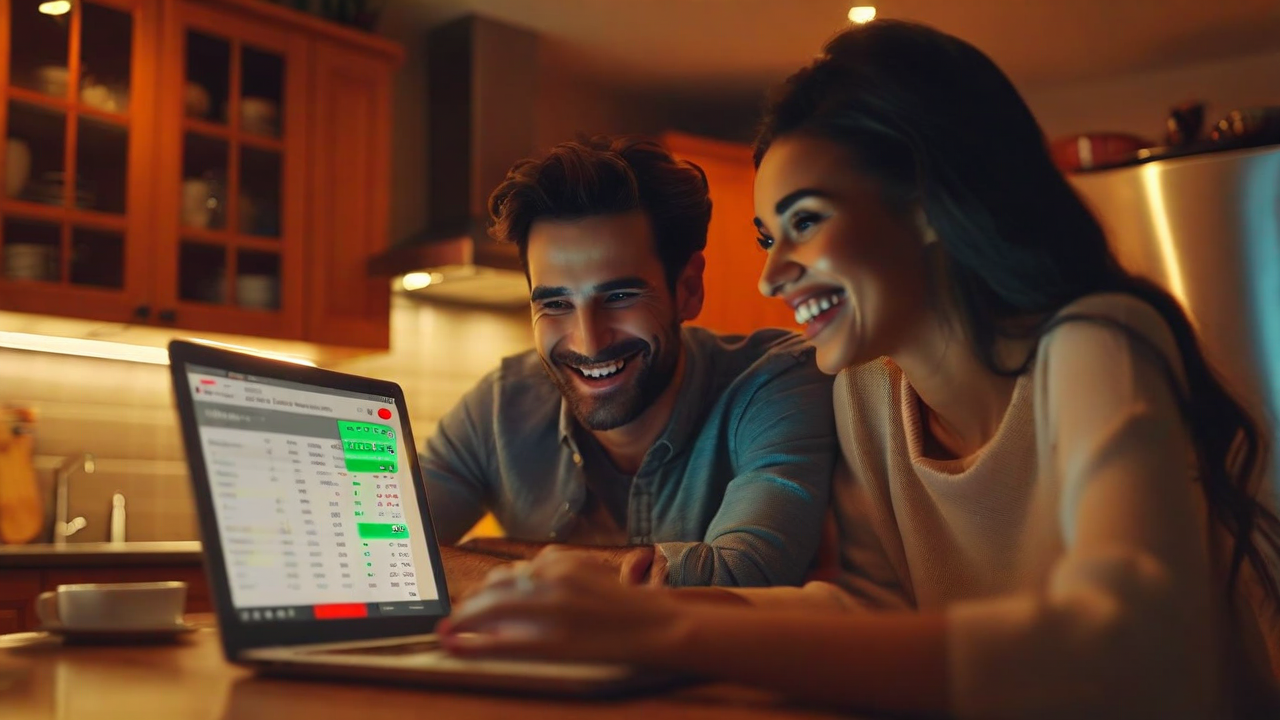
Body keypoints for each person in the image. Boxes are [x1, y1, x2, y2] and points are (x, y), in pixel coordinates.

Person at [436, 20, 1280, 718]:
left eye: (805, 221)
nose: (771, 276)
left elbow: (1123, 648)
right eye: (769, 237)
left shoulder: (1096, 341)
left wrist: (662, 631)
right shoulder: (867, 394)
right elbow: (864, 610)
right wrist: (636, 609)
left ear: (924, 205)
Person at [420, 136, 837, 591]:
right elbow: (375, 550)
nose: (589, 339)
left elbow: (739, 578)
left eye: (619, 296)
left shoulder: (779, 380)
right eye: (556, 304)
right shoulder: (499, 404)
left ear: (688, 289)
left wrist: (481, 559)